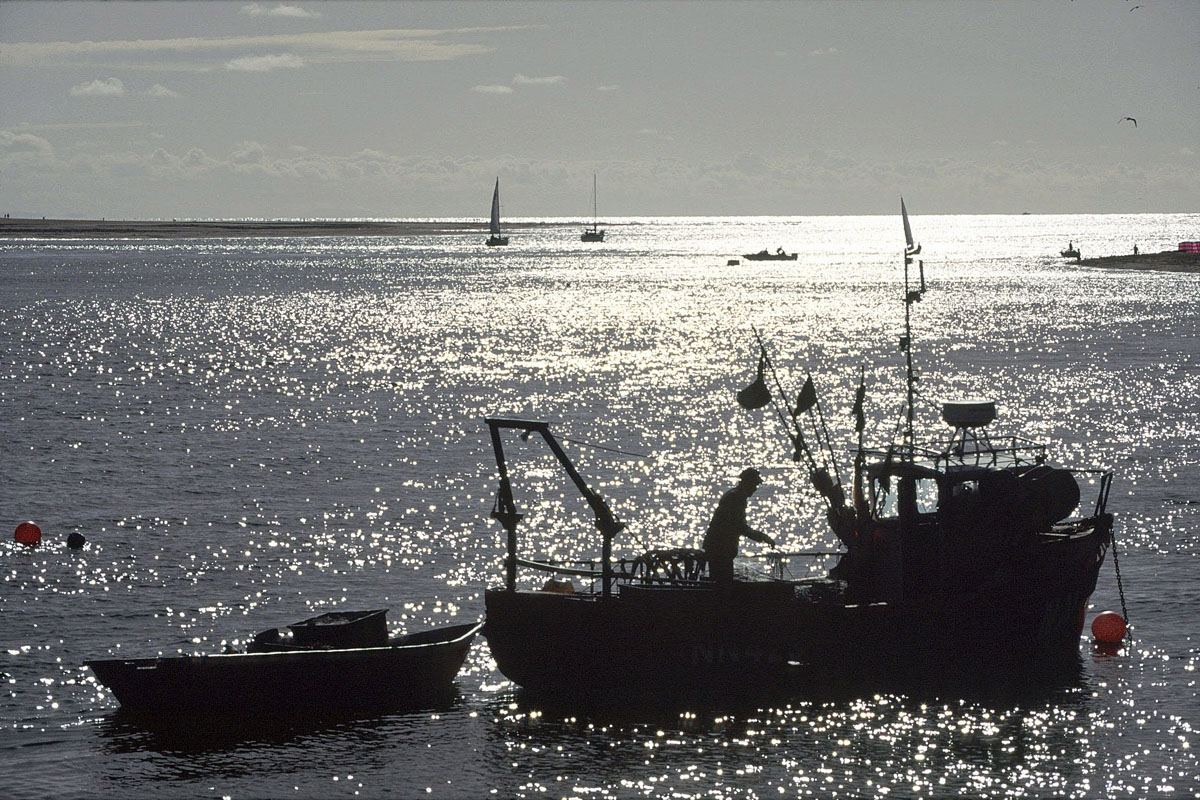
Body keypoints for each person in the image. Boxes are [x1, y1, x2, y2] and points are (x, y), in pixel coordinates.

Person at [703, 468, 775, 583]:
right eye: (754, 485)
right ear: (748, 483)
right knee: (722, 584)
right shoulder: (736, 497)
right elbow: (740, 527)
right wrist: (763, 538)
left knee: (719, 582)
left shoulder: (734, 494)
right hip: (720, 548)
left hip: (718, 546)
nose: (755, 488)